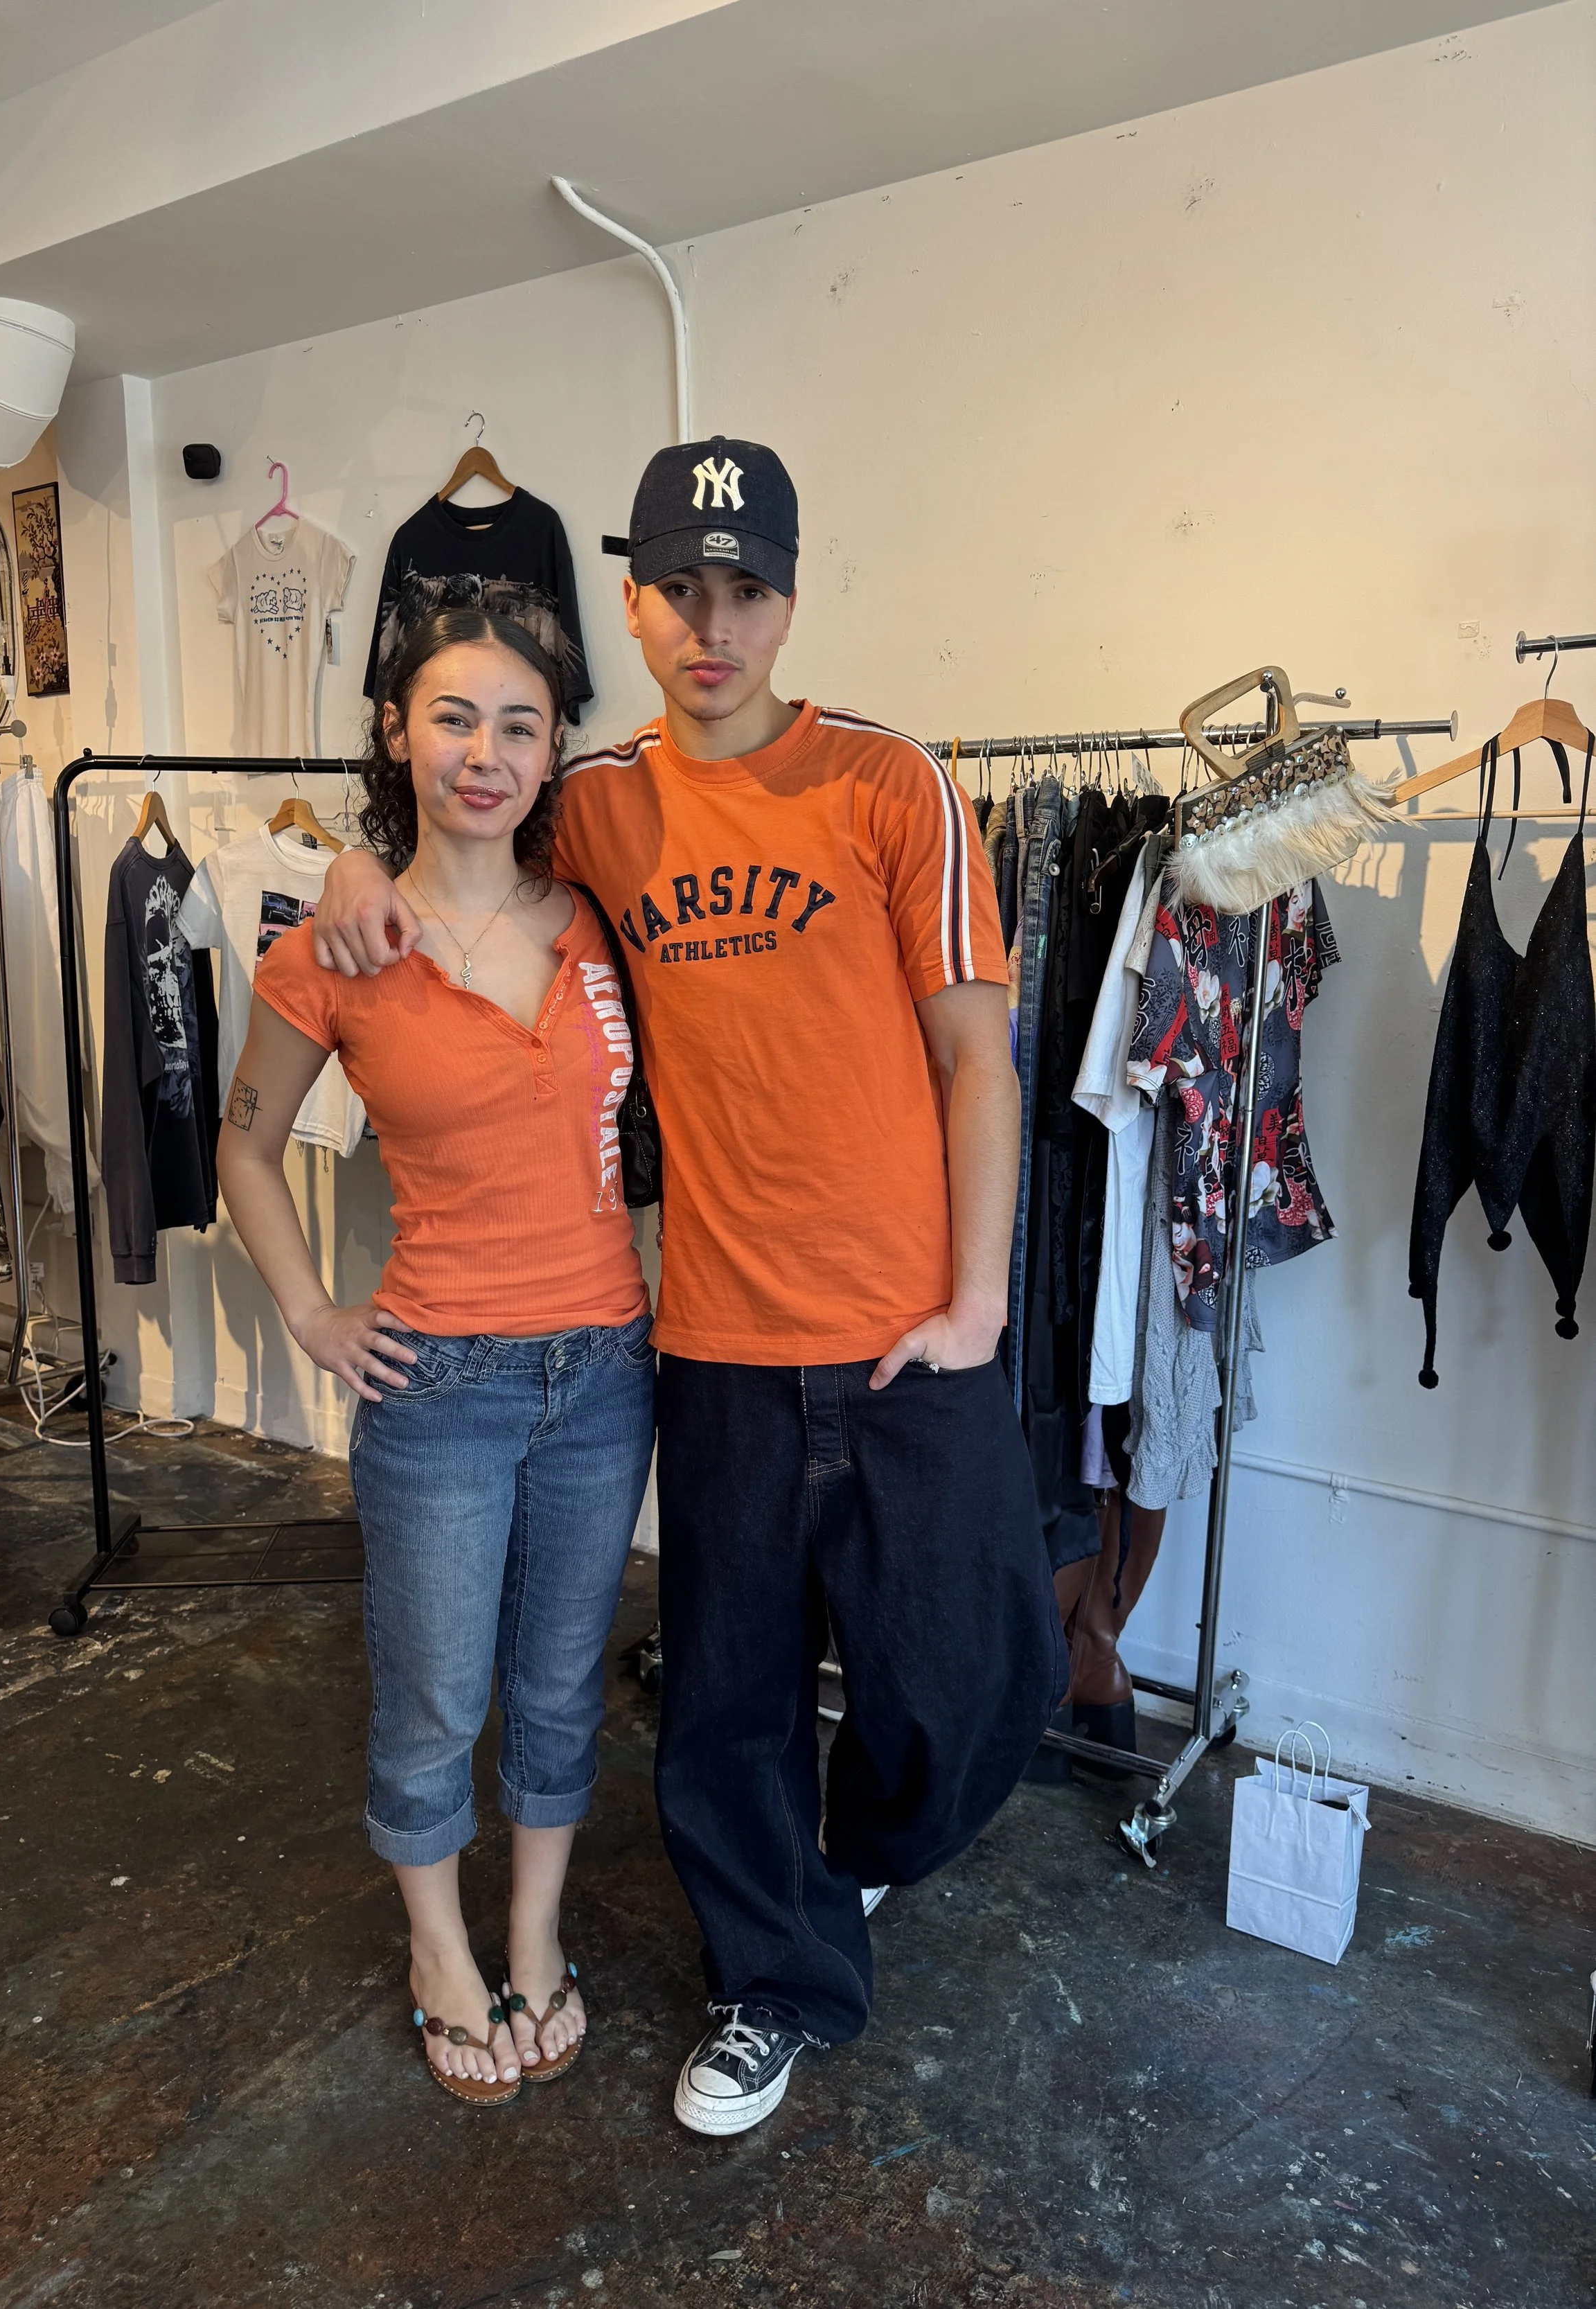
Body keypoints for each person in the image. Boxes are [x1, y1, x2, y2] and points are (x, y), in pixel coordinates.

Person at [310, 440, 1065, 2135]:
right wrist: (345, 866)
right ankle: (773, 1983)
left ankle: (836, 1872)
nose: (712, 624)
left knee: (970, 1676)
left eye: (747, 588)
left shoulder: (891, 785)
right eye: (678, 589)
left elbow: (976, 1057)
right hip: (710, 1338)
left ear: (789, 598)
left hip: (903, 1331)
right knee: (722, 1703)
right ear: (633, 605)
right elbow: (456, 839)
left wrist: (978, 1301)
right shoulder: (596, 802)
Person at [215, 583, 655, 2107]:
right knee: (432, 1694)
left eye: (519, 725)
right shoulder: (337, 944)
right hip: (440, 1387)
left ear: (551, 755)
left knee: (555, 1681)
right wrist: (311, 1314)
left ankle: (530, 1930)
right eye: (452, 717)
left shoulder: (593, 917)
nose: (485, 752)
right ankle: (435, 1948)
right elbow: (247, 1147)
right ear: (396, 734)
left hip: (605, 1367)